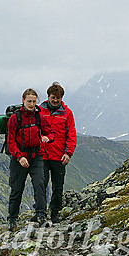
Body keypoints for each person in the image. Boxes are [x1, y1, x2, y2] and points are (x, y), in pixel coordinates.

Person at [7, 88, 53, 231]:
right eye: (29, 101)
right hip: (19, 158)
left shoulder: (39, 116)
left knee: (40, 183)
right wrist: (19, 156)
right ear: (23, 100)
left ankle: (41, 214)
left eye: (34, 101)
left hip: (36, 156)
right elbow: (10, 141)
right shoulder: (15, 118)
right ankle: (12, 219)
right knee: (16, 188)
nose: (31, 104)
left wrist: (48, 138)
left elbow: (50, 131)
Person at [39, 82, 77, 224]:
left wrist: (68, 153)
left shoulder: (67, 113)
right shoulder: (39, 110)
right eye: (53, 97)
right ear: (48, 96)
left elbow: (71, 134)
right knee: (40, 184)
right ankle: (40, 212)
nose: (55, 100)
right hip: (41, 155)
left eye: (58, 98)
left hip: (59, 155)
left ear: (62, 98)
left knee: (57, 186)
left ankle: (55, 212)